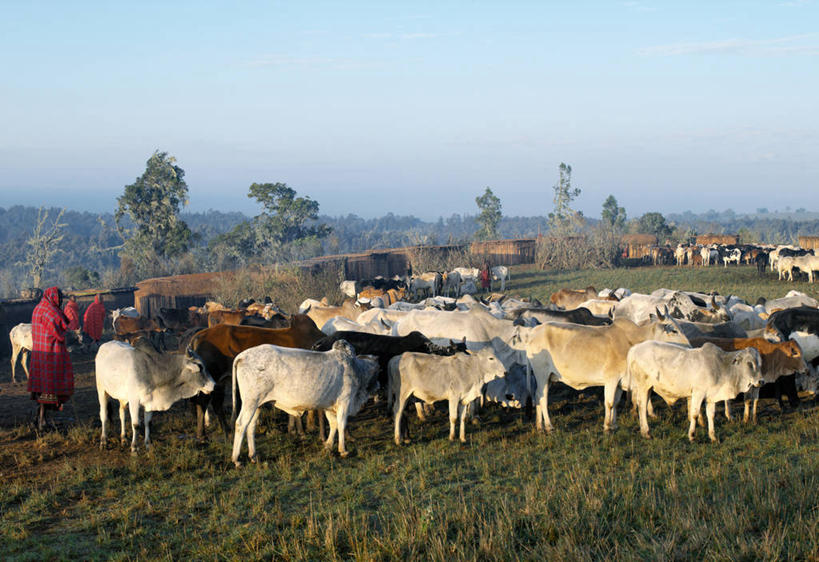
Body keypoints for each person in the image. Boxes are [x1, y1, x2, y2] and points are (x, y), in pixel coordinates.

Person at [28, 287, 74, 430]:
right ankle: (42, 421)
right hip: (50, 355)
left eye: (61, 298)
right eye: (58, 297)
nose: (60, 300)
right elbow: (60, 330)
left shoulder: (39, 308)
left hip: (39, 355)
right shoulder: (49, 311)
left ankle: (39, 419)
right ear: (52, 297)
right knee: (48, 388)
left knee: (42, 388)